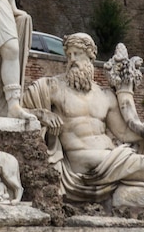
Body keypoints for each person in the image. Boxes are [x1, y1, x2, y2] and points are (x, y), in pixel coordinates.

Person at [23, 32, 144, 203]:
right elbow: (18, 111)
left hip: (113, 157)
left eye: (77, 54)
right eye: (69, 55)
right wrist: (43, 115)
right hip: (83, 162)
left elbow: (124, 134)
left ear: (90, 57)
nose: (72, 59)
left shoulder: (105, 95)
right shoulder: (51, 87)